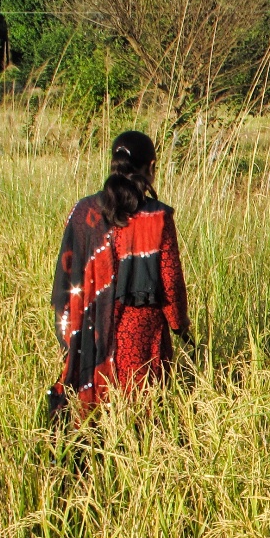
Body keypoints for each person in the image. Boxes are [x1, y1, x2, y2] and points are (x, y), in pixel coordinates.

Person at [51, 131, 190, 415]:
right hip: (139, 331)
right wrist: (181, 326)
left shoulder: (82, 212)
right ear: (151, 166)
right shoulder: (158, 217)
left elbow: (66, 275)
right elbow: (170, 281)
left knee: (93, 415)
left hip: (91, 328)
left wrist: (68, 332)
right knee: (139, 411)